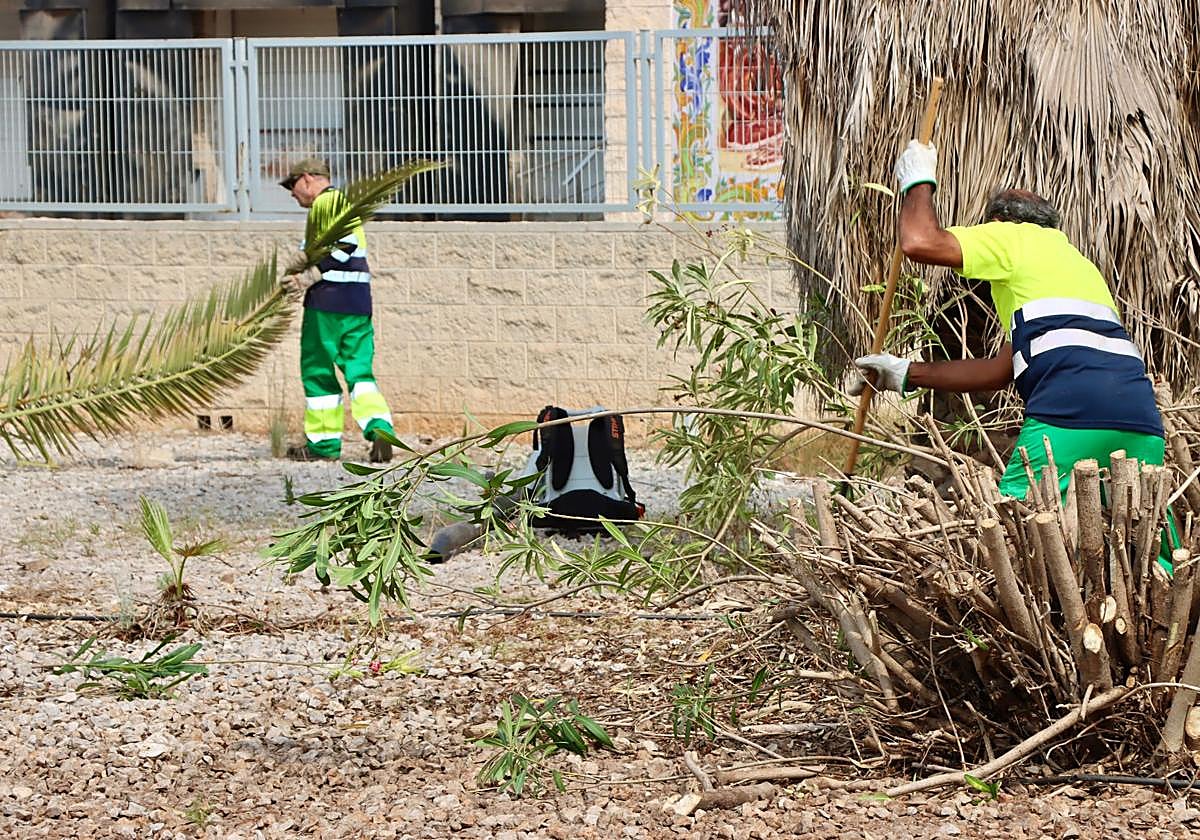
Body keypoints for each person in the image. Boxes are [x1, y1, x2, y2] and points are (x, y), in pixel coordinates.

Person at [850, 140, 1166, 506]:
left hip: (1068, 412)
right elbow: (1000, 371)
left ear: (998, 223)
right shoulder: (1078, 265)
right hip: (1140, 418)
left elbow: (920, 241)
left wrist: (918, 179)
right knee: (1141, 532)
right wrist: (903, 373)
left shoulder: (1012, 236)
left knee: (1021, 526)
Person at [279, 157, 394, 463]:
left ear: (307, 179)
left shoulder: (326, 203)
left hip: (327, 303)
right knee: (360, 372)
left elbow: (343, 247)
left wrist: (310, 276)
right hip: (358, 302)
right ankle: (379, 427)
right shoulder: (346, 205)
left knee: (318, 371)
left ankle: (323, 444)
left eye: (292, 186)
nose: (292, 195)